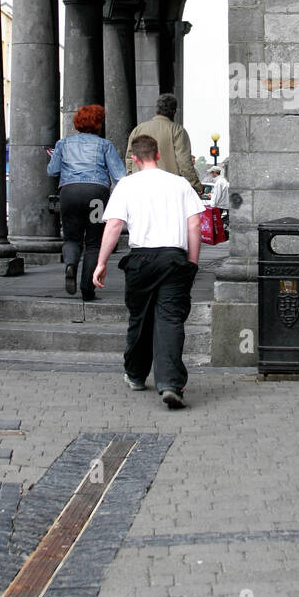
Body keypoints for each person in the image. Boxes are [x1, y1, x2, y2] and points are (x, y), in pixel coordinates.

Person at [93, 134, 204, 409]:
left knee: (140, 318)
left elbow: (115, 225)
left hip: (140, 259)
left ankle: (135, 374)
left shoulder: (127, 185)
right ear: (157, 155)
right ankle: (170, 384)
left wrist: (101, 262)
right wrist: (192, 262)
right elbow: (194, 225)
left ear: (134, 158)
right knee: (170, 319)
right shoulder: (180, 184)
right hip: (174, 258)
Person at [46, 104, 126, 302]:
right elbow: (120, 175)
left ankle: (71, 264)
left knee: (72, 238)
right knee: (93, 243)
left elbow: (52, 171)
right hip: (96, 194)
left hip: (70, 192)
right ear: (98, 124)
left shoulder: (63, 144)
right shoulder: (105, 145)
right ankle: (87, 289)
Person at [125, 93, 203, 194]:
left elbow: (129, 159)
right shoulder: (177, 130)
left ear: (157, 109)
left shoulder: (138, 129)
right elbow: (184, 162)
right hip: (168, 189)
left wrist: (132, 177)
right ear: (174, 111)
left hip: (141, 187)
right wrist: (195, 185)